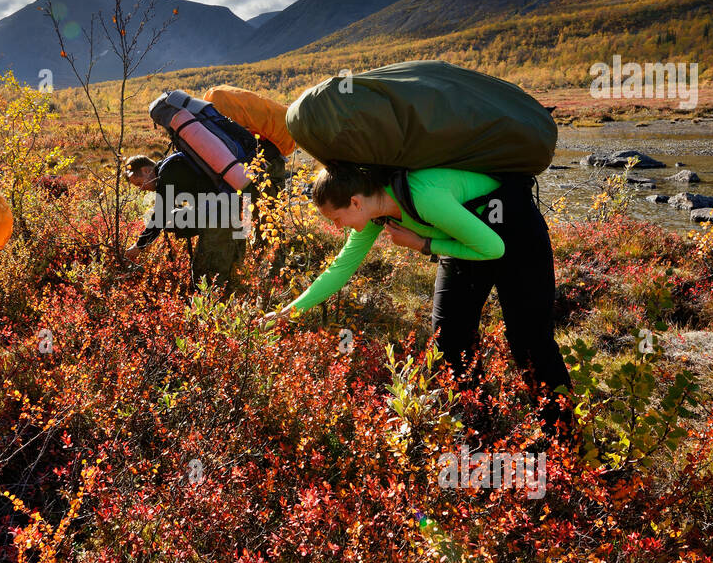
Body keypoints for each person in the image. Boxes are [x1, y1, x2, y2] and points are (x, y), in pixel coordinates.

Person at [264, 161, 572, 435]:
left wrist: (424, 243)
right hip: (458, 239)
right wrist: (288, 311)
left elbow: (493, 248)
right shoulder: (374, 215)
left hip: (515, 238)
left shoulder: (423, 196)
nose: (336, 227)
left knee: (530, 340)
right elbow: (339, 270)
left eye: (336, 217)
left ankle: (562, 436)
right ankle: (478, 429)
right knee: (450, 338)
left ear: (355, 202)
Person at [123, 152, 247, 286]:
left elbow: (160, 215)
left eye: (139, 183)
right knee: (234, 274)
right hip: (233, 212)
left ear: (146, 170)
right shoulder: (176, 165)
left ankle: (217, 304)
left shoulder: (167, 172)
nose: (142, 189)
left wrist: (139, 245)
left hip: (219, 220)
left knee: (204, 277)